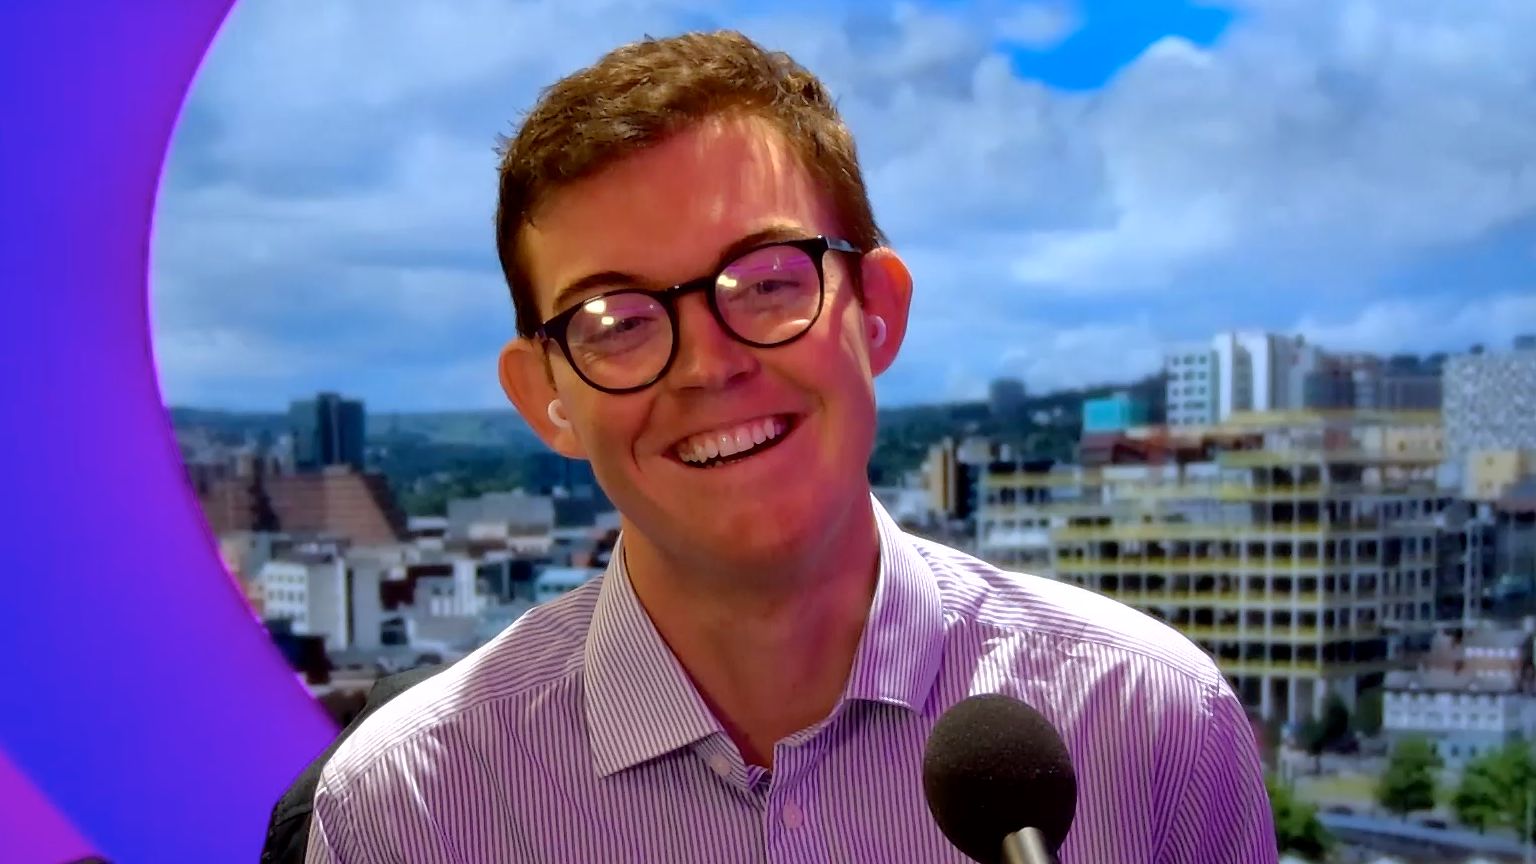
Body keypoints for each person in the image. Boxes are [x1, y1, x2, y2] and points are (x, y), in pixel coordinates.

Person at [305, 30, 1276, 863]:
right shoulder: (409, 807)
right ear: (546, 396)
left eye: (767, 281)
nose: (705, 365)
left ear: (878, 311)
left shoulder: (1146, 724)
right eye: (618, 319)